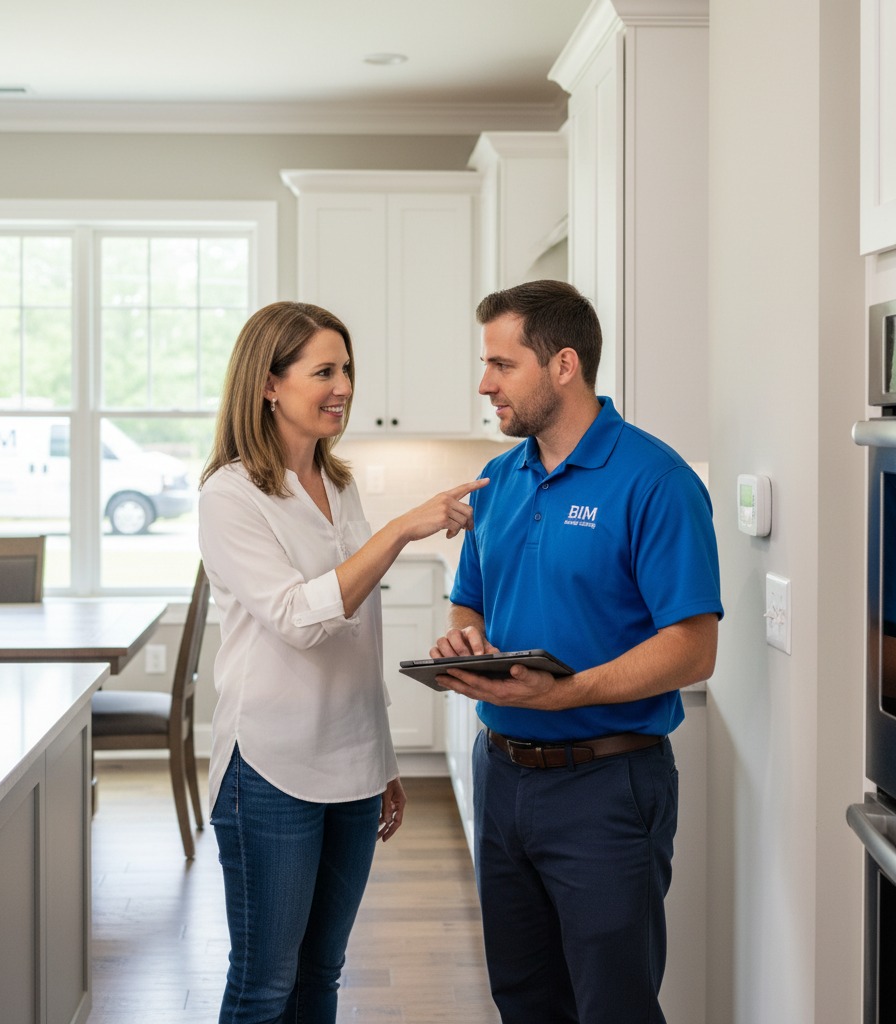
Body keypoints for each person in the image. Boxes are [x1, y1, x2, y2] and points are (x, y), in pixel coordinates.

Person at [431, 280, 722, 1024]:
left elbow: (694, 648)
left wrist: (569, 692)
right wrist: (467, 635)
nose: (484, 383)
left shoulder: (656, 481)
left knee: (612, 1006)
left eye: (502, 364)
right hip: (502, 774)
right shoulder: (498, 479)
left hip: (608, 784)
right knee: (524, 997)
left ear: (564, 365)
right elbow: (472, 595)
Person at [197, 300, 488, 1024]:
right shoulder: (230, 494)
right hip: (270, 765)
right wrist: (398, 531)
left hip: (351, 762)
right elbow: (300, 620)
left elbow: (359, 642)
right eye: (323, 371)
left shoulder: (341, 484)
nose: (344, 387)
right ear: (268, 384)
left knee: (323, 974)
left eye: (347, 369)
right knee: (265, 982)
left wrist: (382, 757)